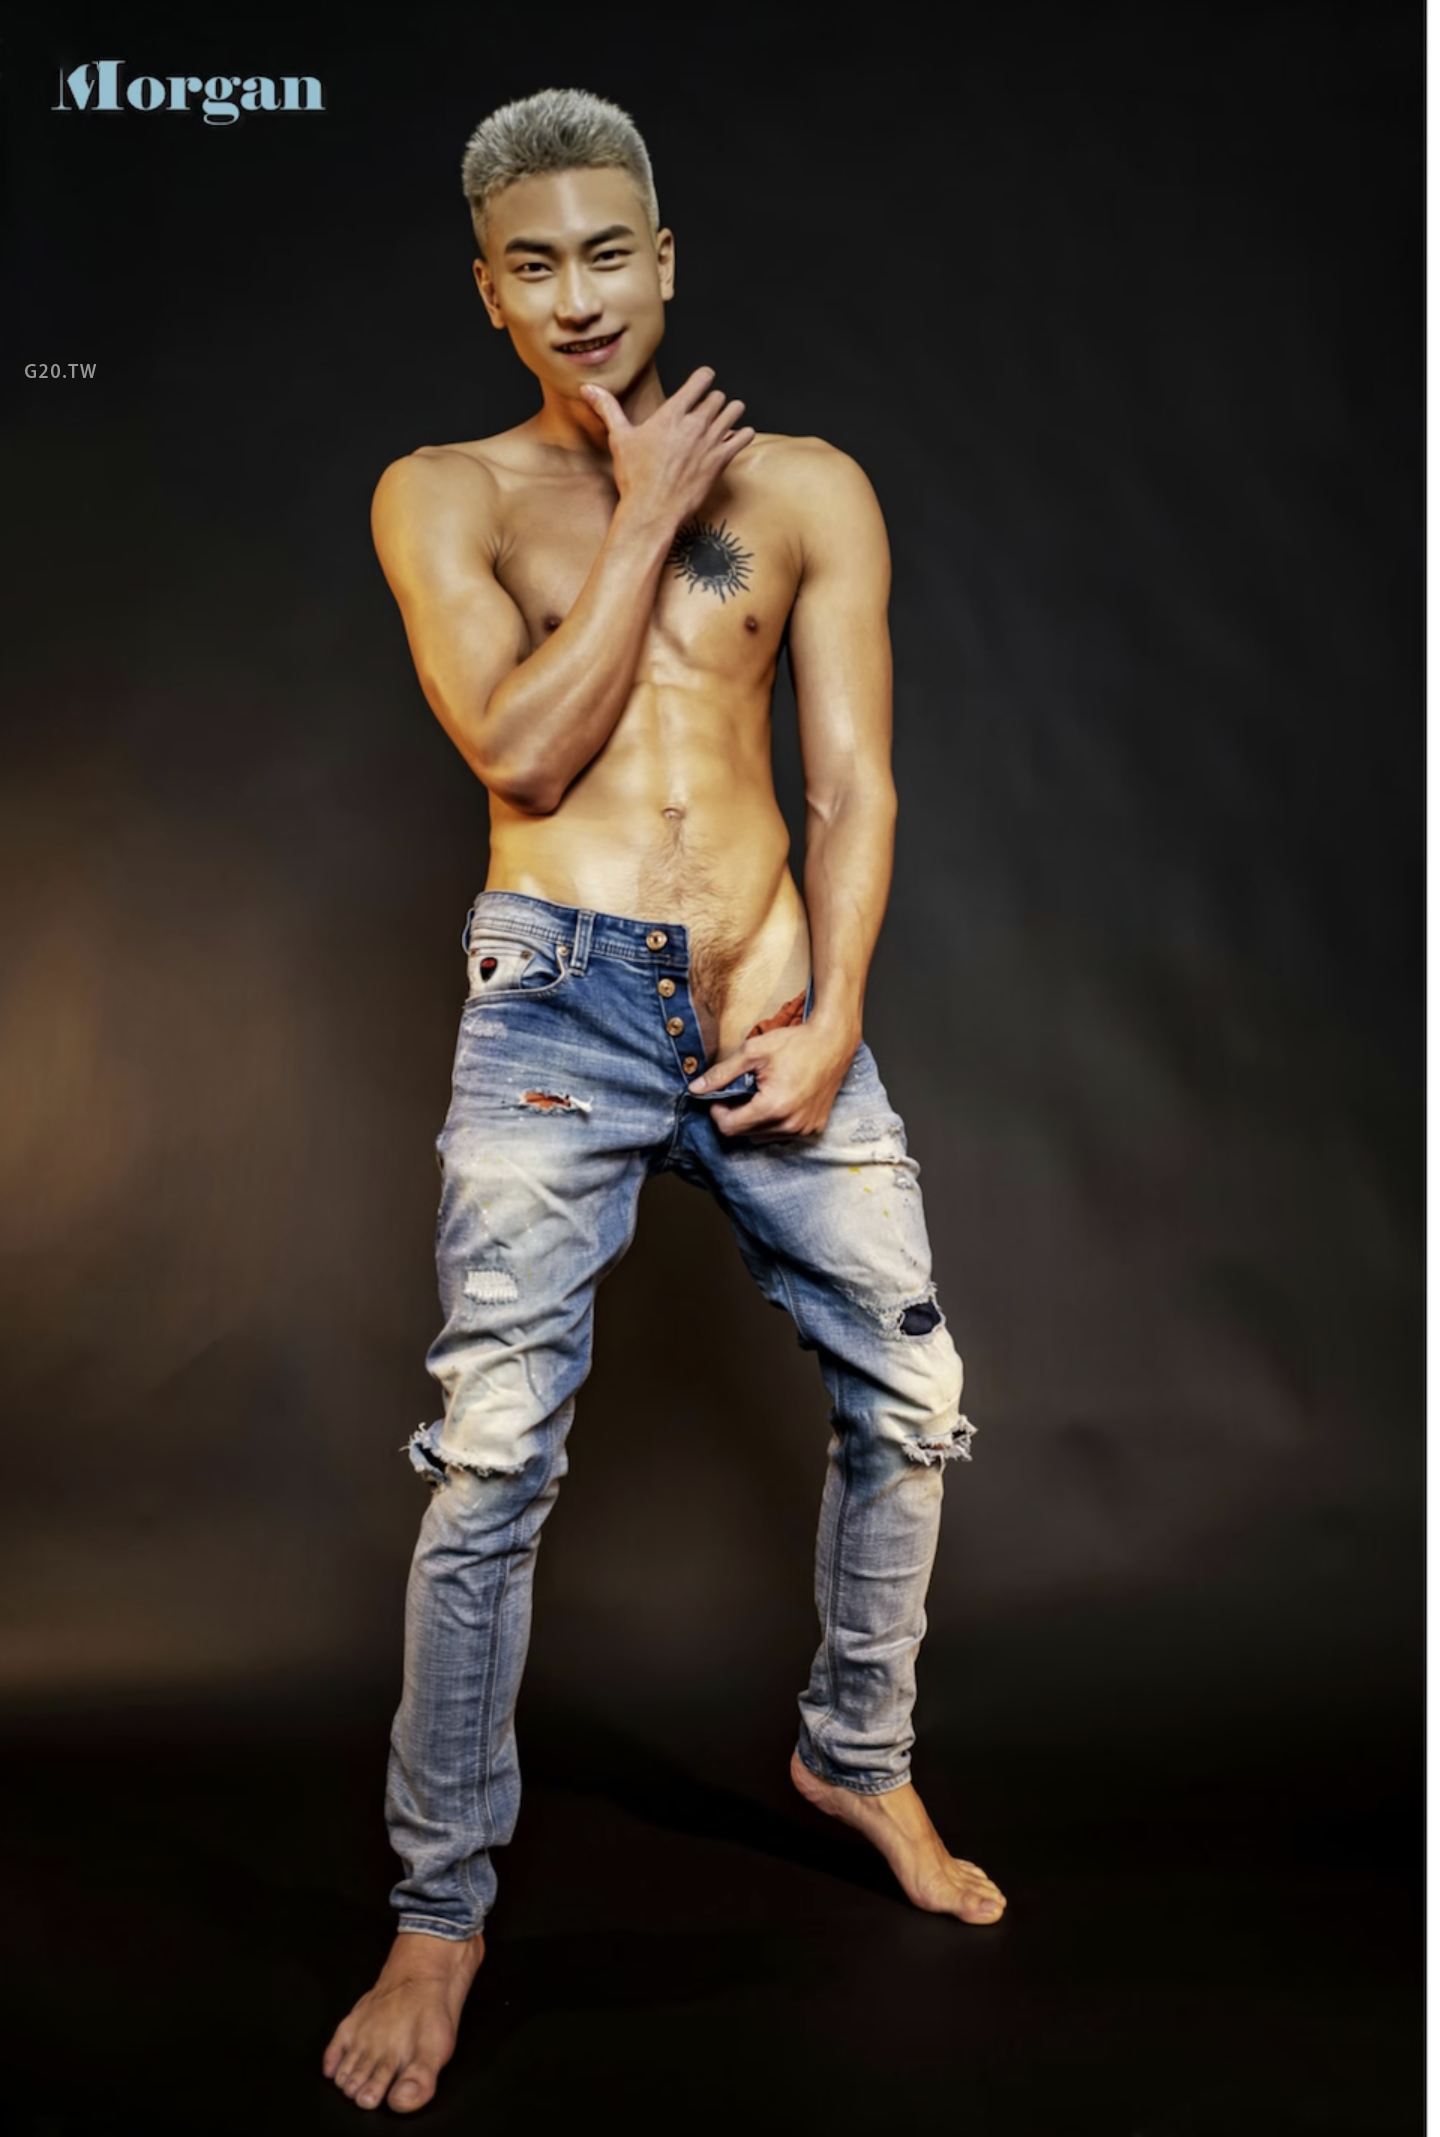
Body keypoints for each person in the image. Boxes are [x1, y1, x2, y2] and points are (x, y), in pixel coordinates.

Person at [323, 85, 1004, 2115]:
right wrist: (637, 514)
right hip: (556, 1010)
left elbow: (854, 784)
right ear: (488, 293)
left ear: (666, 259)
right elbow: (524, 754)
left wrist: (835, 1010)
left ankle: (854, 1757)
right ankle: (439, 1911)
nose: (579, 296)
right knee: (490, 1462)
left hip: (775, 998)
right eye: (533, 265)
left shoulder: (810, 490)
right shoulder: (443, 494)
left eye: (608, 252)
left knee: (913, 1395)